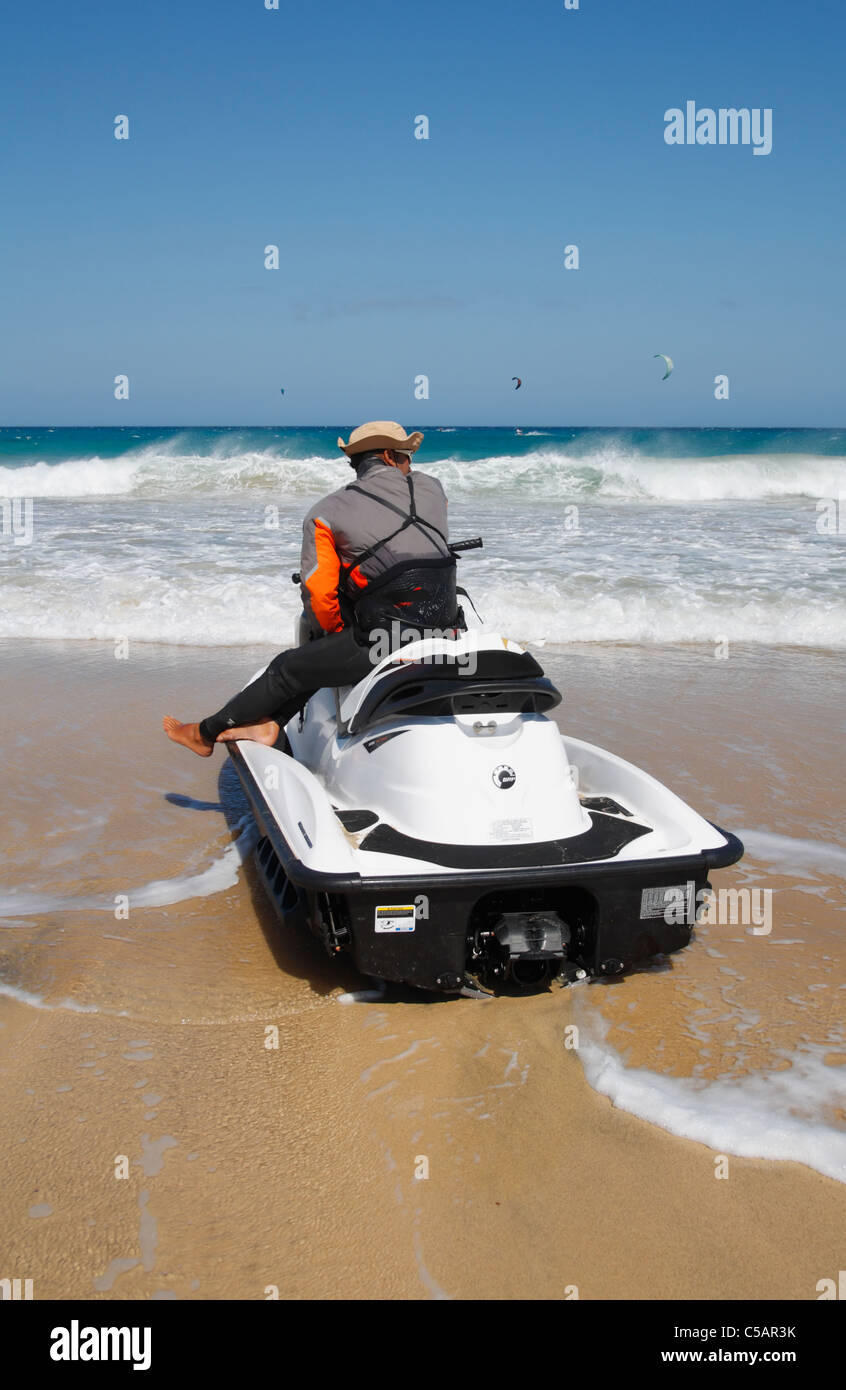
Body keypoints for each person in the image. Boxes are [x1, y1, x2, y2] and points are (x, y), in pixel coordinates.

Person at [163, 421, 455, 756]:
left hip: (384, 642)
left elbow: (319, 593)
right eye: (405, 456)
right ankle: (268, 724)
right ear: (390, 456)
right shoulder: (435, 489)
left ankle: (205, 733)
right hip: (446, 628)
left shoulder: (327, 511)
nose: (409, 464)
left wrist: (333, 636)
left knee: (288, 668)